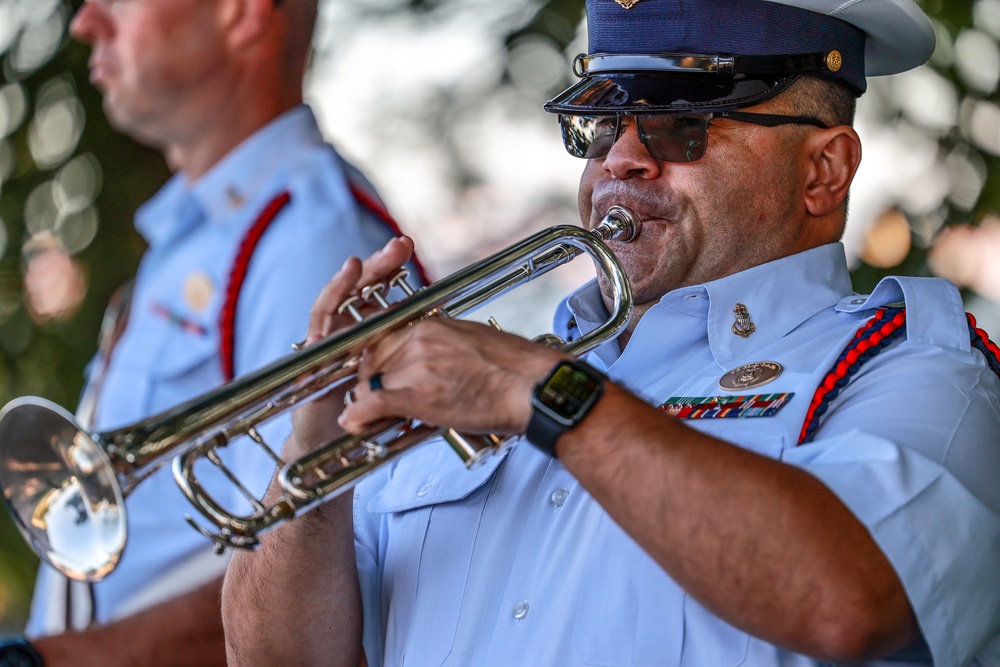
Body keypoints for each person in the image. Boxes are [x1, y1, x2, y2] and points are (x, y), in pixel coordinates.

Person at [222, 0, 1000, 665]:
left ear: (823, 171)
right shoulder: (492, 378)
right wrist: (316, 427)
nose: (621, 162)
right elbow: (275, 655)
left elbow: (848, 600)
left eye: (679, 124)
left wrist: (540, 393)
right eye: (600, 124)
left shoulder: (915, 372)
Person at [0, 0, 424, 665]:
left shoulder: (308, 237)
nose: (86, 22)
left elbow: (327, 566)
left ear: (241, 13)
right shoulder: (199, 231)